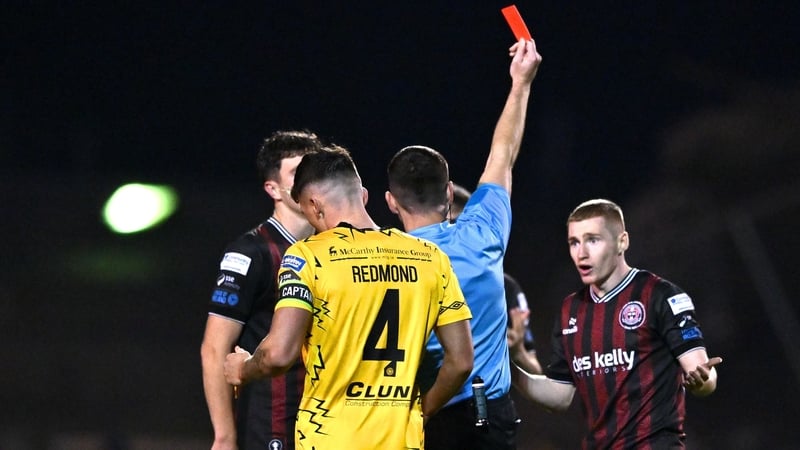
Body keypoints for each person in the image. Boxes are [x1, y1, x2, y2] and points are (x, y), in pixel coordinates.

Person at [223, 145, 474, 449]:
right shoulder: (430, 257)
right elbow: (461, 361)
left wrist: (243, 368)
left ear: (314, 206)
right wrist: (421, 411)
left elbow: (278, 354)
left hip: (330, 439)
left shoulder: (306, 257)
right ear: (363, 195)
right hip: (402, 440)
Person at [384, 37, 542, 450]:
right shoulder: (483, 233)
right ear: (450, 193)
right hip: (487, 418)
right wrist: (521, 83)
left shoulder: (381, 261)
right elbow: (503, 154)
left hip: (414, 417)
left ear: (390, 202)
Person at [512, 198, 723, 449]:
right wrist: (504, 368)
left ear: (622, 241)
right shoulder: (571, 309)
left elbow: (703, 373)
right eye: (574, 242)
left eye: (593, 240)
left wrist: (702, 380)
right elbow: (560, 396)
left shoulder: (660, 295)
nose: (582, 253)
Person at [200, 130, 322, 450]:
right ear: (273, 188)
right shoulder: (251, 252)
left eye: (313, 169)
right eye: (297, 173)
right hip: (272, 422)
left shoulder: (332, 248)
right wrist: (225, 436)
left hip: (327, 421)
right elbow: (214, 348)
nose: (308, 180)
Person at [450, 183, 542, 375]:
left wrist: (518, 352)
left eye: (461, 227)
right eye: (448, 227)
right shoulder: (415, 282)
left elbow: (536, 371)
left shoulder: (504, 287)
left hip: (489, 402)